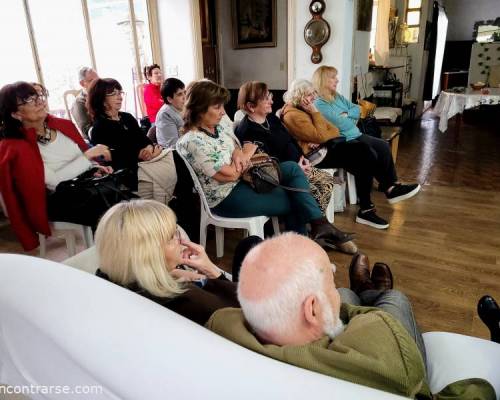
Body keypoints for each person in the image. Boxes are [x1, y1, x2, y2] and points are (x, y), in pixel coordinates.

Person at [207, 233, 495, 399]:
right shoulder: (389, 361)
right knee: (394, 299)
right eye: (328, 285)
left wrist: (331, 298)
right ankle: (372, 292)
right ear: (312, 309)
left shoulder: (223, 328)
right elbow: (478, 391)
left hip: (308, 335)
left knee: (345, 294)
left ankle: (364, 289)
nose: (333, 289)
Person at [176, 80, 355, 252]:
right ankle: (309, 245)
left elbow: (238, 146)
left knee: (292, 168)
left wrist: (239, 154)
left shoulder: (218, 128)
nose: (223, 112)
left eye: (222, 106)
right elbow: (229, 175)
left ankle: (317, 229)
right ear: (199, 109)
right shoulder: (192, 141)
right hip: (226, 197)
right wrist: (244, 157)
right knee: (296, 199)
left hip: (246, 180)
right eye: (217, 107)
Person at [235, 80, 356, 254]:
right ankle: (318, 232)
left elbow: (289, 139)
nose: (271, 99)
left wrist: (301, 158)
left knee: (327, 182)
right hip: (281, 173)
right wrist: (296, 165)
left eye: (269, 95)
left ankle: (316, 231)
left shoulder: (270, 118)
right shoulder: (249, 130)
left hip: (297, 164)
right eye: (266, 97)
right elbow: (265, 161)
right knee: (310, 189)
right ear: (251, 106)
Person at [282, 79, 408, 229]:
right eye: (309, 95)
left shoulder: (304, 110)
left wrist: (321, 136)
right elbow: (322, 135)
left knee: (365, 152)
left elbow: (334, 130)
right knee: (365, 156)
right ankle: (373, 202)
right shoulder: (294, 115)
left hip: (324, 148)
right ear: (300, 96)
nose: (314, 97)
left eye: (313, 93)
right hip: (315, 157)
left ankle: (370, 204)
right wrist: (317, 120)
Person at [0, 81, 112, 250]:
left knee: (120, 196)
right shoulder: (16, 146)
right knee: (106, 207)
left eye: (38, 95)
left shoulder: (62, 125)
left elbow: (83, 160)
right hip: (54, 199)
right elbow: (53, 182)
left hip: (82, 187)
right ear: (16, 114)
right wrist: (87, 156)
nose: (39, 101)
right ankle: (111, 257)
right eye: (29, 99)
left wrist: (94, 167)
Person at [94, 199, 242, 325]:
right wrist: (212, 273)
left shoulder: (105, 285)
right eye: (172, 236)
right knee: (249, 244)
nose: (181, 240)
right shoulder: (187, 299)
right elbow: (247, 310)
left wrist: (166, 274)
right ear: (149, 255)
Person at [312, 66, 421, 229]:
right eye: (333, 78)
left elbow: (357, 109)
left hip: (355, 133)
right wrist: (349, 116)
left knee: (383, 146)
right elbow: (340, 123)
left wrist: (347, 115)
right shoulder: (320, 104)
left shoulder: (336, 97)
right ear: (323, 81)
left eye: (336, 77)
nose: (337, 80)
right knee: (369, 155)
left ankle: (391, 187)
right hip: (343, 140)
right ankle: (368, 207)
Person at [88, 78, 177, 205]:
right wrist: (139, 154)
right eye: (114, 94)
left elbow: (144, 139)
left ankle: (175, 208)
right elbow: (112, 157)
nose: (119, 97)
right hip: (127, 172)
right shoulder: (99, 127)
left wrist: (149, 149)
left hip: (147, 160)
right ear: (101, 99)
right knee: (175, 165)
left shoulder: (127, 117)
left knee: (176, 158)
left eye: (120, 93)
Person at [155, 77, 186, 149]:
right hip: (174, 155)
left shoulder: (181, 108)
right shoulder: (165, 115)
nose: (184, 97)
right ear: (169, 99)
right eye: (180, 94)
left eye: (185, 92)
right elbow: (174, 146)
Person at [71, 66, 99, 139]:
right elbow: (87, 131)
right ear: (82, 83)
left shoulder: (103, 96)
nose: (97, 84)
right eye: (92, 81)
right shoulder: (79, 103)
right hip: (96, 141)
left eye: (98, 80)